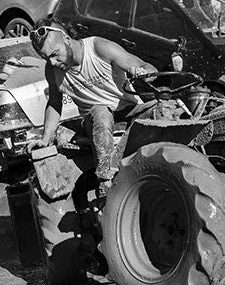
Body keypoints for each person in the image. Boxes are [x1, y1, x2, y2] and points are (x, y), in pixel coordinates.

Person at [26, 20, 156, 194]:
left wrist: (143, 73)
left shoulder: (98, 48)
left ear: (66, 39)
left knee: (161, 107)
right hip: (94, 121)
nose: (53, 62)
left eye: (55, 54)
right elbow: (55, 103)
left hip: (128, 111)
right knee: (100, 111)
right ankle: (105, 182)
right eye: (46, 57)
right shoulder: (52, 70)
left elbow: (147, 67)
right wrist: (45, 138)